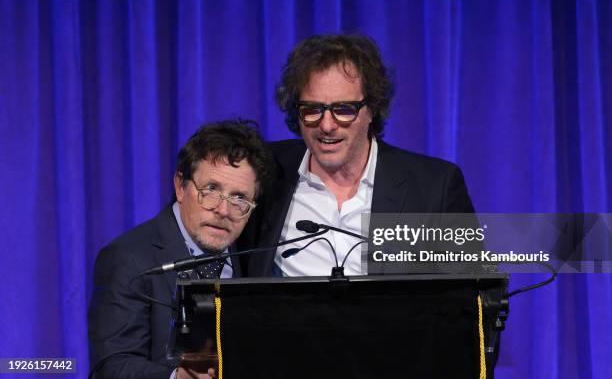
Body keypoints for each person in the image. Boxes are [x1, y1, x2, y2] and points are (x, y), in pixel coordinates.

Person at [240, 34, 475, 277]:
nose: (327, 125)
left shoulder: (434, 187)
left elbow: (475, 298)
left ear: (371, 110)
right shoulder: (265, 171)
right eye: (312, 109)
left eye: (344, 110)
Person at [88, 120, 273, 379]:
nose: (223, 210)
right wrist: (176, 378)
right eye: (211, 190)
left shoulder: (253, 254)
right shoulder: (129, 259)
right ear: (180, 186)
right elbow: (111, 367)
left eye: (239, 198)